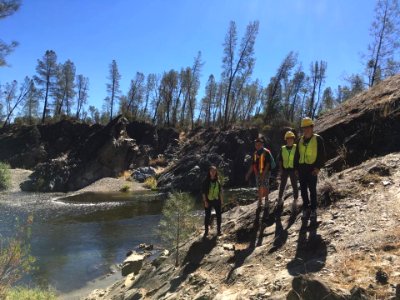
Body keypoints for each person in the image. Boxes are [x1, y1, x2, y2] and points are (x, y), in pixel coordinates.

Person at [294, 117, 326, 224]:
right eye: (304, 128)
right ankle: (306, 208)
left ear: (312, 127)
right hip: (302, 168)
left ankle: (313, 209)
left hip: (312, 168)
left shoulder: (318, 139)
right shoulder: (299, 140)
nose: (306, 129)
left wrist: (318, 168)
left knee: (312, 190)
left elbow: (322, 155)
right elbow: (296, 155)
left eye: (308, 127)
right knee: (303, 190)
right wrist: (296, 168)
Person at [245, 136, 274, 211]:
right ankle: (260, 200)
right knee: (259, 186)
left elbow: (268, 164)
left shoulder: (266, 152)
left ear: (262, 144)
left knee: (265, 186)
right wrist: (248, 174)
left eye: (258, 144)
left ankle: (266, 200)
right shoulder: (255, 153)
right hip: (258, 173)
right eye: (256, 144)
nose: (257, 146)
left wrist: (263, 175)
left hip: (266, 172)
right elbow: (253, 164)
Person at [276, 130, 299, 216]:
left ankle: (295, 200)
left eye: (291, 138)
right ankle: (280, 199)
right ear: (286, 139)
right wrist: (281, 169)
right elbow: (280, 160)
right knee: (282, 184)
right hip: (285, 169)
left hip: (293, 169)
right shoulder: (283, 148)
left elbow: (298, 159)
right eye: (288, 138)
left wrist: (297, 169)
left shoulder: (296, 148)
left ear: (293, 139)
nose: (289, 139)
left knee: (294, 184)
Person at [202, 166, 223, 237]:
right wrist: (205, 201)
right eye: (212, 171)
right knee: (207, 216)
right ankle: (206, 231)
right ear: (209, 172)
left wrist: (221, 200)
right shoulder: (206, 181)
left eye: (214, 171)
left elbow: (220, 192)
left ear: (216, 172)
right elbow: (203, 193)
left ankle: (219, 230)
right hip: (208, 201)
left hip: (217, 200)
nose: (213, 172)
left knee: (219, 215)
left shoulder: (218, 181)